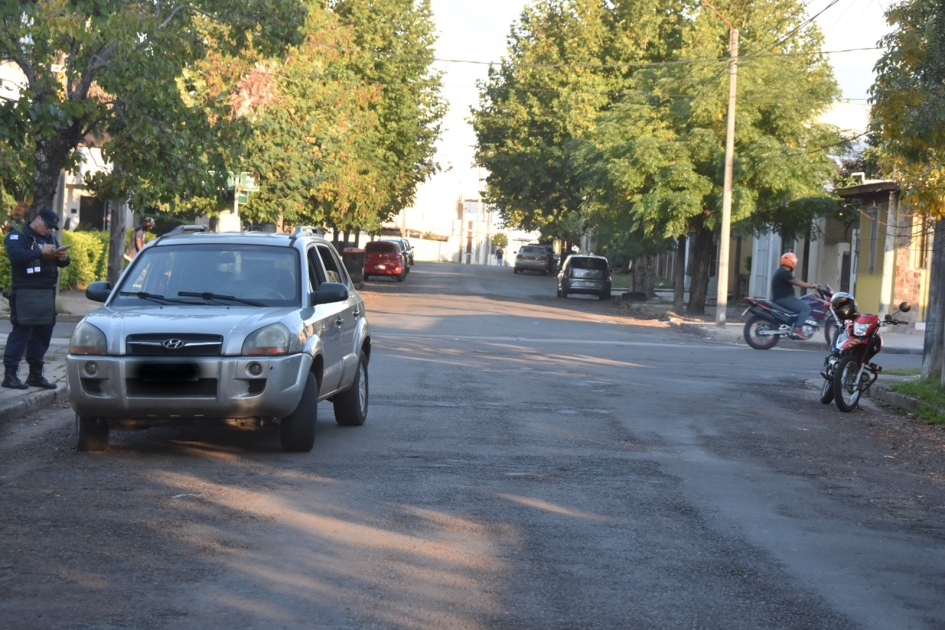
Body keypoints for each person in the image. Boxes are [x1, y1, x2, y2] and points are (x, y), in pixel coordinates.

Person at [2, 208, 71, 389]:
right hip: (25, 292)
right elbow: (16, 256)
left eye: (52, 228)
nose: (49, 230)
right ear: (38, 218)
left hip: (46, 293)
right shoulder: (18, 236)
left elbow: (61, 263)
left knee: (43, 333)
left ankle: (35, 374)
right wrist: (41, 253)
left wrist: (63, 258)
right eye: (47, 226)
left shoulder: (49, 239)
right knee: (21, 332)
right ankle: (10, 374)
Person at [771, 252, 820, 339]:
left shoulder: (781, 271)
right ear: (790, 262)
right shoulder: (784, 273)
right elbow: (796, 282)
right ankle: (798, 329)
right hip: (784, 298)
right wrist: (811, 285)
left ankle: (794, 326)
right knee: (806, 308)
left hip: (782, 298)